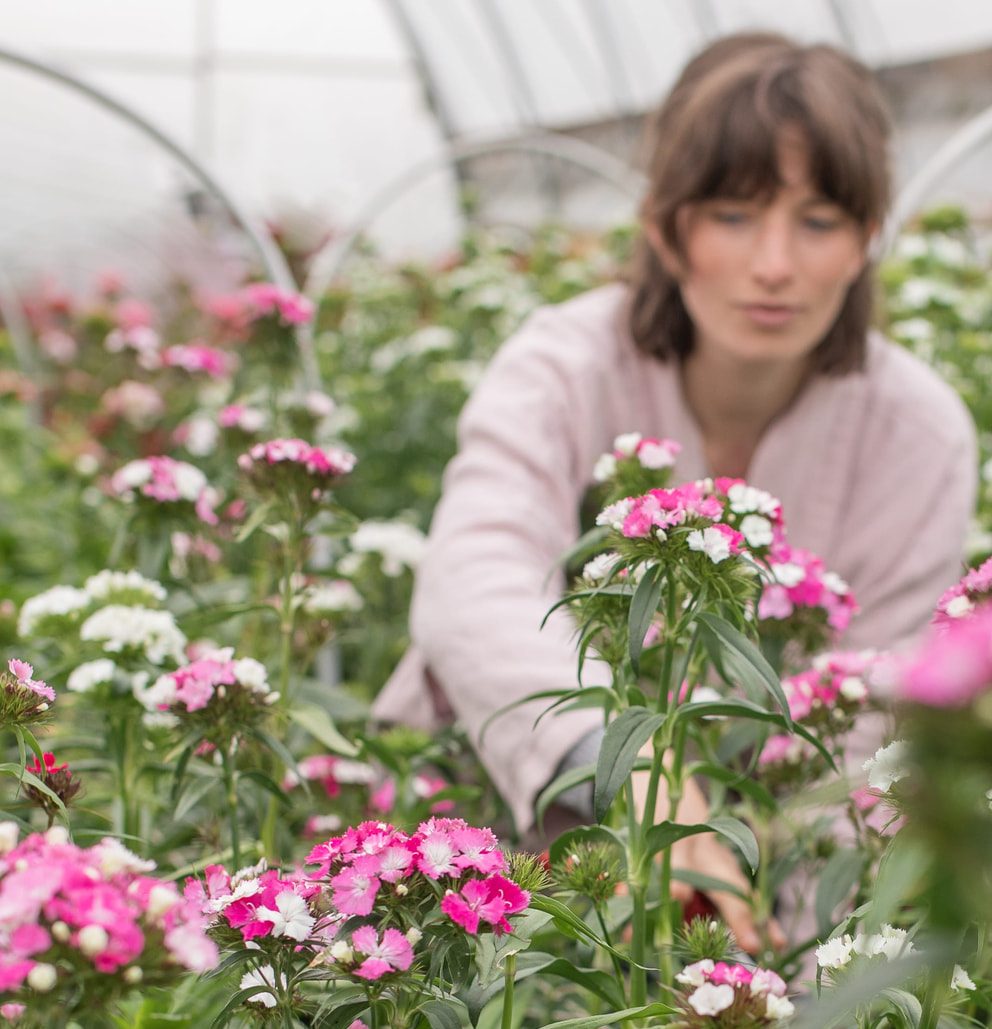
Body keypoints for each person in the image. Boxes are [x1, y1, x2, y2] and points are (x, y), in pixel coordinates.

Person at [372, 33, 978, 952]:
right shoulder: (559, 366)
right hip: (510, 874)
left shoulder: (919, 430)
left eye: (818, 221)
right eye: (733, 215)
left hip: (776, 886)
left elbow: (874, 717)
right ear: (664, 225)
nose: (774, 264)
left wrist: (793, 953)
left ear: (866, 239)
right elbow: (471, 580)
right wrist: (627, 761)